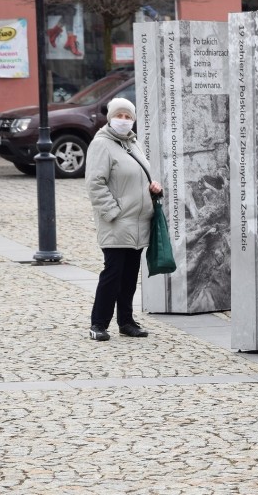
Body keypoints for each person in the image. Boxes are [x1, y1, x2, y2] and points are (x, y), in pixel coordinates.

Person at [85, 98, 162, 341]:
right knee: (113, 273)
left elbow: (137, 178)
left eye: (128, 116)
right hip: (118, 222)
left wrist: (154, 190)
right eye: (119, 115)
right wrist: (113, 213)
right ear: (110, 117)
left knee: (129, 275)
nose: (124, 120)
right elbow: (95, 183)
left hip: (139, 222)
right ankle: (98, 323)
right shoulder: (101, 145)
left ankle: (126, 321)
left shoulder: (133, 143)